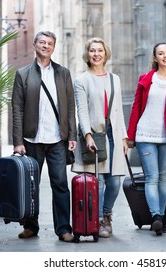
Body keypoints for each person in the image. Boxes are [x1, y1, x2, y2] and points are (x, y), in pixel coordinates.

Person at [12, 31, 77, 242]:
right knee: (31, 185)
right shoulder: (23, 74)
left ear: (53, 48)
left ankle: (64, 229)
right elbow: (17, 109)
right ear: (34, 45)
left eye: (49, 43)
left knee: (60, 184)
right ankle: (31, 226)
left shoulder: (63, 73)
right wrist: (18, 142)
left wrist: (72, 135)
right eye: (42, 42)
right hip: (32, 139)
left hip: (57, 139)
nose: (46, 46)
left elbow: (70, 106)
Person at [71, 37, 128, 238]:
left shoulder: (115, 79)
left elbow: (118, 109)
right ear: (88, 54)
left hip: (114, 134)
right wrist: (87, 135)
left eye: (100, 50)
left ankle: (107, 215)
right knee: (100, 181)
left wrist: (124, 137)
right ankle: (96, 221)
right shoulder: (81, 80)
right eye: (93, 51)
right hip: (95, 136)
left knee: (115, 182)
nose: (96, 54)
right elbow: (82, 111)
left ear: (106, 53)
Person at [127, 42, 166, 236]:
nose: (165, 56)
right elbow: (136, 108)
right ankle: (156, 216)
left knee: (164, 177)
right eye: (160, 53)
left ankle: (162, 216)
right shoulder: (146, 79)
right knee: (152, 177)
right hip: (145, 134)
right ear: (155, 58)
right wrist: (130, 136)